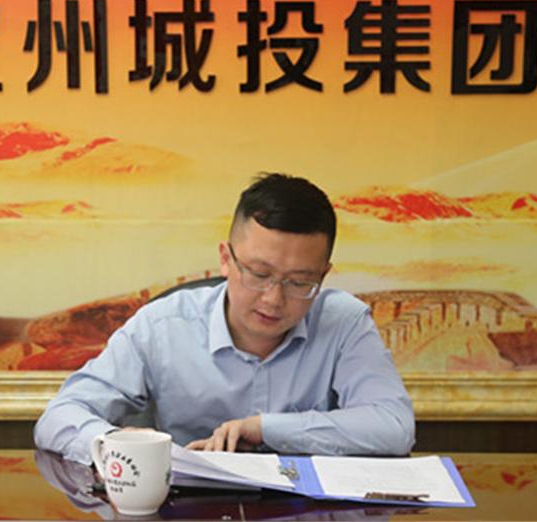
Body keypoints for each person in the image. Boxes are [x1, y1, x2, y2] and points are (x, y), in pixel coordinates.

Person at [34, 173, 414, 464]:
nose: (274, 298)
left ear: (323, 275)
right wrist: (117, 445)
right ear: (225, 259)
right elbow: (60, 417)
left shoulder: (344, 323)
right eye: (259, 274)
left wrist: (265, 428)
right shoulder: (163, 326)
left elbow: (394, 427)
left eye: (300, 282)